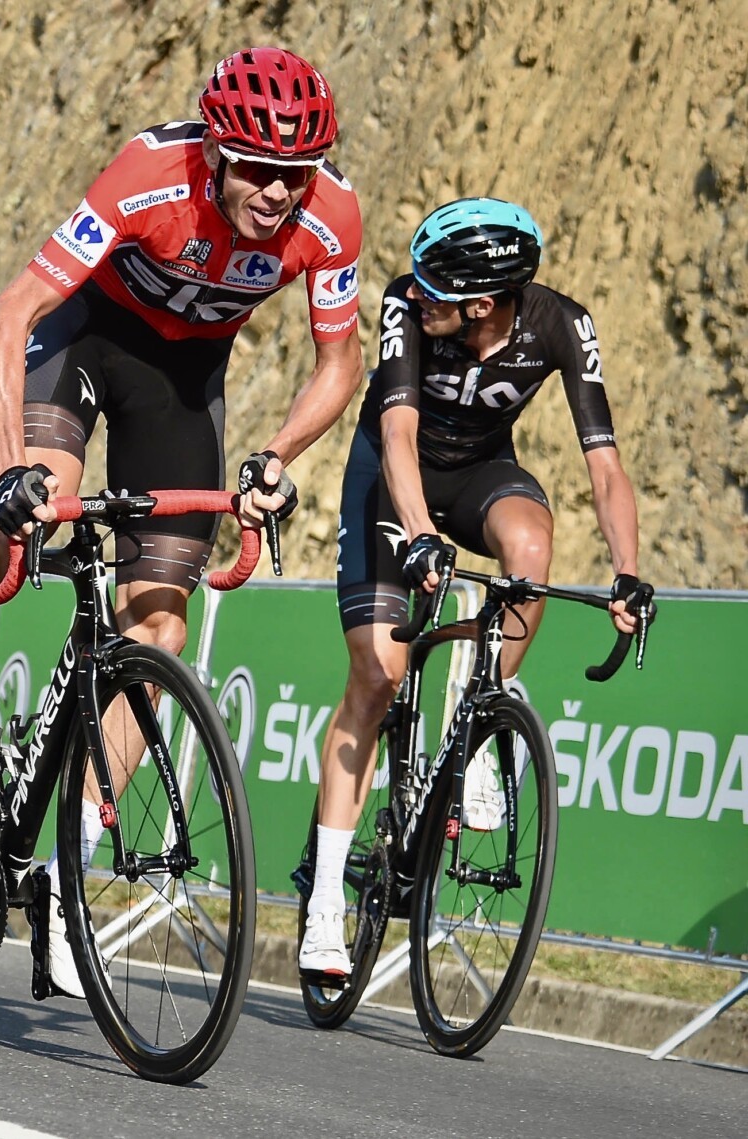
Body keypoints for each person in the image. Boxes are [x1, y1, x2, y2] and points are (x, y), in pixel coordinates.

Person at [0, 46, 366, 995]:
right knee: (28, 522)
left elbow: (339, 364)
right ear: (219, 154)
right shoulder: (149, 174)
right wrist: (9, 470)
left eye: (296, 174)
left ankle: (68, 873)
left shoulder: (331, 215)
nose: (278, 195)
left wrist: (276, 459)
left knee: (158, 623)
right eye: (261, 171)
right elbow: (9, 314)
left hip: (183, 382)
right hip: (82, 340)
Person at [298, 198, 651, 975]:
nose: (415, 292)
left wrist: (628, 568)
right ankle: (326, 902)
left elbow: (604, 465)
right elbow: (394, 433)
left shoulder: (562, 324)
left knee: (530, 542)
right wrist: (420, 534)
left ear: (484, 304)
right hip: (395, 479)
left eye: (434, 288)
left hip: (481, 471)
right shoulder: (403, 303)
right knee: (378, 673)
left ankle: (481, 723)